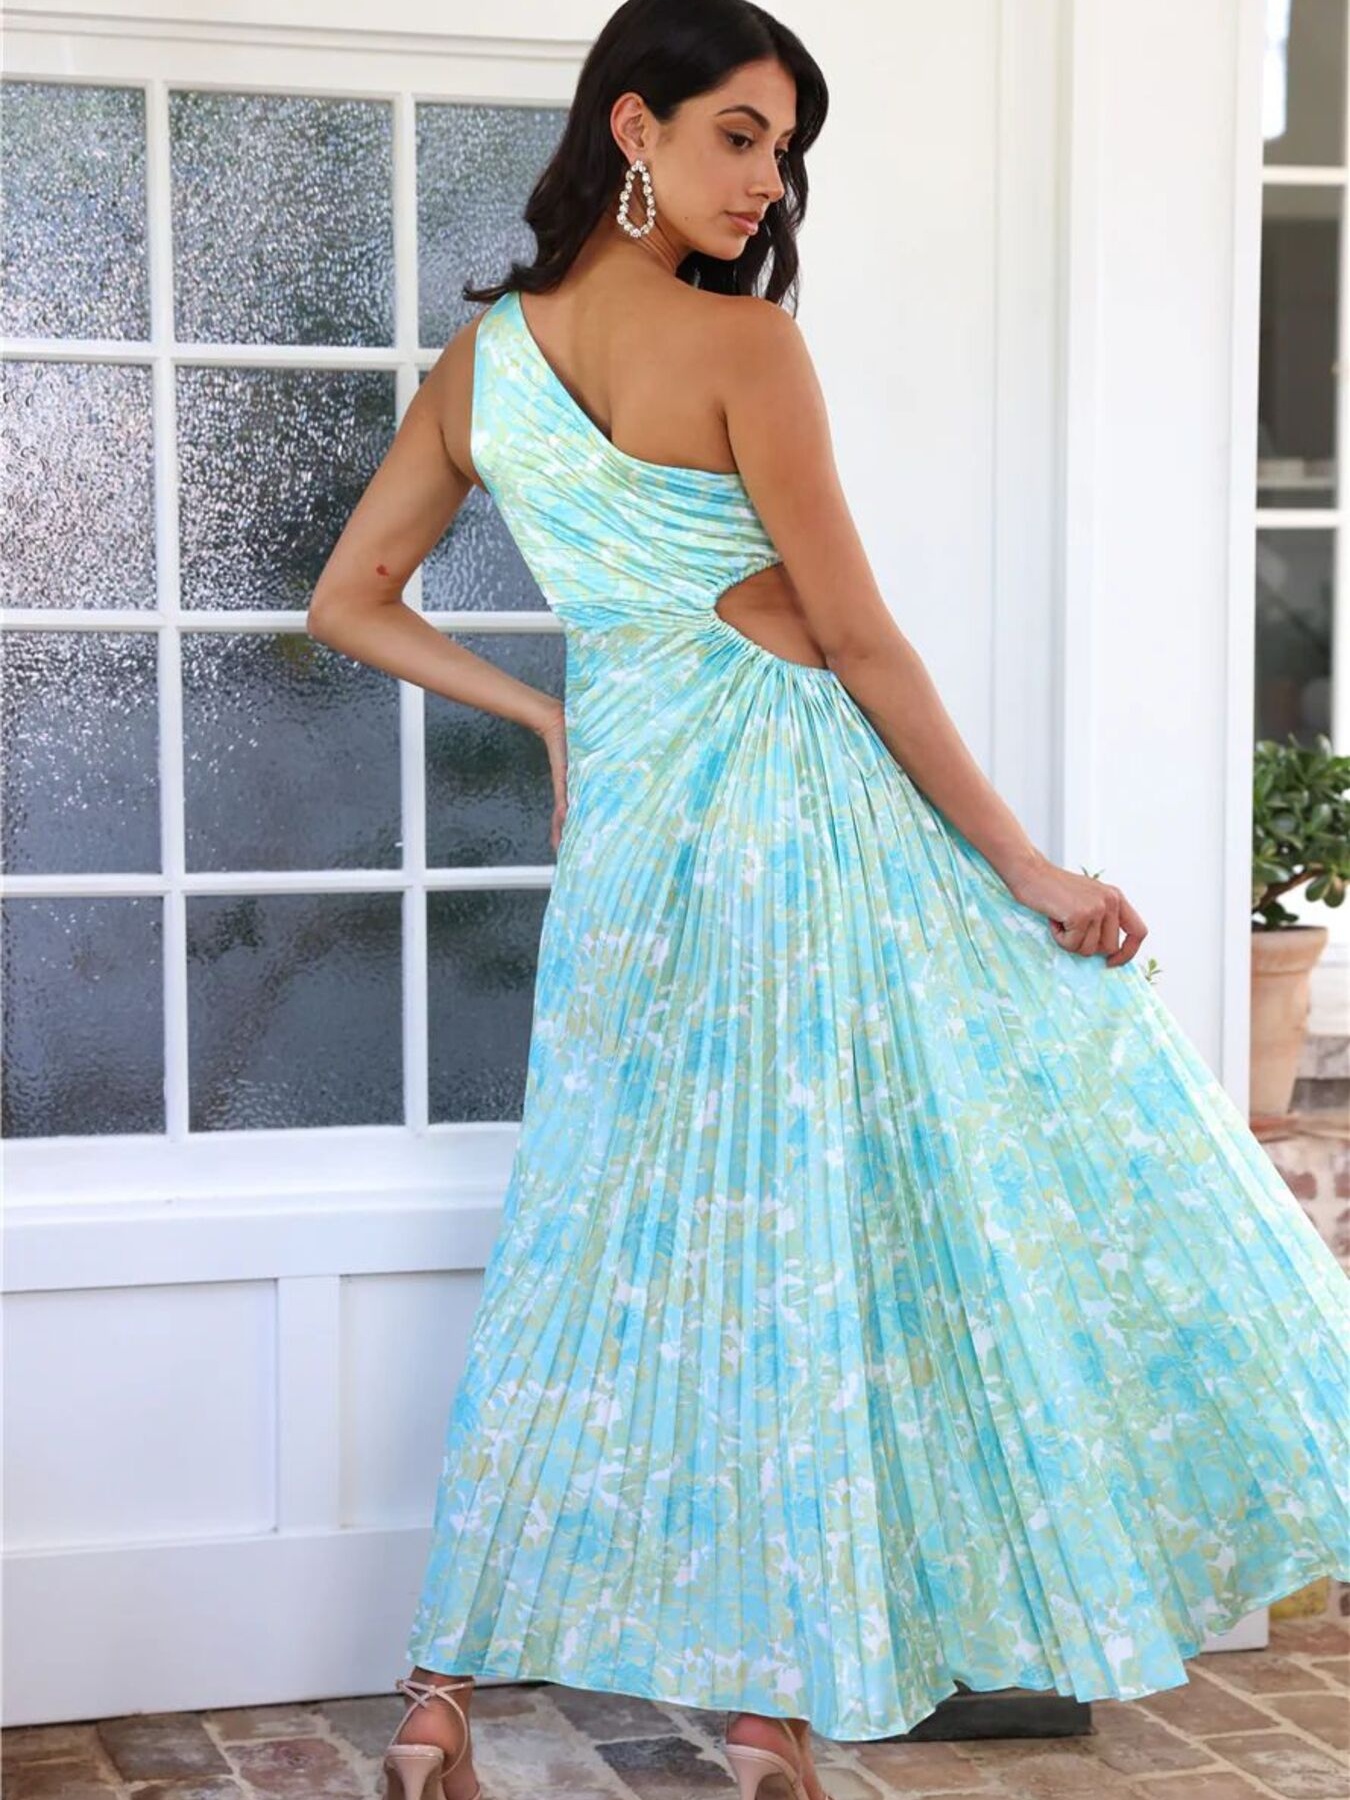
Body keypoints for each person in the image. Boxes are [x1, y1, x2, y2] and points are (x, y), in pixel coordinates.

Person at [305, 4, 1350, 1797]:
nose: (765, 181)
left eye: (783, 150)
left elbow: (350, 598)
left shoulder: (484, 364)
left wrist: (550, 712)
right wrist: (1023, 864)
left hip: (634, 843)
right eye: (737, 133)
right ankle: (767, 1709)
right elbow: (855, 640)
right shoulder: (744, 343)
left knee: (591, 1242)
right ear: (632, 127)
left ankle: (437, 1700)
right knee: (807, 1238)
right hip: (796, 818)